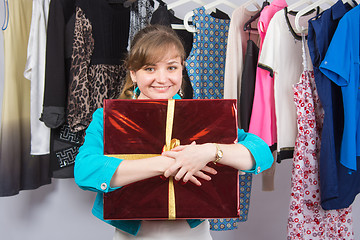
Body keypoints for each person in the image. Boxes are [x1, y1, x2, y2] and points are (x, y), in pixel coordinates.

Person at [74, 24, 274, 239]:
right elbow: (85, 171)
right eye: (150, 69)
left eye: (171, 68)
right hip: (131, 234)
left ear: (182, 69)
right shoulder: (107, 118)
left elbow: (261, 153)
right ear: (133, 73)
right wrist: (169, 164)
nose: (162, 79)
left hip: (193, 234)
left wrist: (209, 151)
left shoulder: (201, 116)